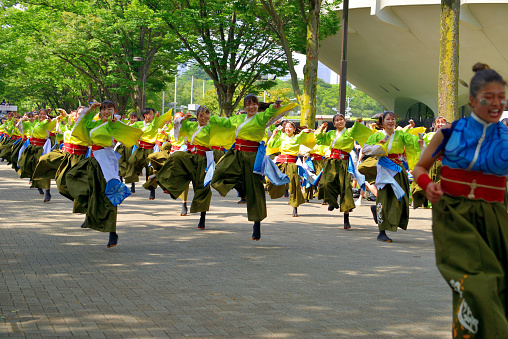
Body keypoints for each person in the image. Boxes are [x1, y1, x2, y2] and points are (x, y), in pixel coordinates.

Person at [414, 63, 508, 338]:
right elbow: (419, 168)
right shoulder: (448, 134)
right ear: (472, 100)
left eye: (501, 98)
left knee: (500, 283)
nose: (496, 104)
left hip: (494, 215)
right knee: (478, 282)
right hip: (455, 214)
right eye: (488, 98)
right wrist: (428, 185)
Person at [210, 95, 296, 240]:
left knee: (255, 190)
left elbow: (269, 114)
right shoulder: (238, 119)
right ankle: (241, 189)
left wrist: (273, 107)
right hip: (236, 153)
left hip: (253, 156)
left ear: (257, 106)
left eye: (254, 104)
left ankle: (257, 223)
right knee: (219, 172)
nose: (251, 107)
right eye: (248, 105)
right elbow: (223, 122)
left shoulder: (260, 118)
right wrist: (208, 118)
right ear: (244, 107)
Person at [66, 100, 143, 247]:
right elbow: (80, 124)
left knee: (109, 195)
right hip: (93, 160)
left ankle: (112, 232)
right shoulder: (94, 123)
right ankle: (89, 212)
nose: (107, 111)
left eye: (110, 108)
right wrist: (90, 109)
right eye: (104, 109)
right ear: (100, 111)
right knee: (72, 178)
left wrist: (115, 122)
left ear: (114, 110)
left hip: (106, 161)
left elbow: (120, 129)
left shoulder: (114, 123)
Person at [362, 111, 421, 242]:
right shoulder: (376, 135)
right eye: (388, 119)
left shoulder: (401, 135)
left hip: (398, 170)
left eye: (393, 119)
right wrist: (379, 146)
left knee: (401, 199)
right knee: (384, 199)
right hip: (384, 169)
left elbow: (415, 142)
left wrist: (421, 142)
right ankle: (381, 231)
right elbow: (365, 149)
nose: (391, 121)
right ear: (382, 122)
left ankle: (387, 217)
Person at [157, 106, 214, 229]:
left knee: (202, 187)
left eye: (206, 115)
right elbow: (176, 127)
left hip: (203, 159)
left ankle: (202, 218)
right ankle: (171, 187)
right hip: (190, 156)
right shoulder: (191, 126)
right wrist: (183, 119)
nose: (203, 118)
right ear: (197, 116)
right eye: (200, 115)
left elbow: (222, 128)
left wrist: (210, 119)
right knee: (176, 156)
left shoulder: (211, 127)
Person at [314, 114, 373, 228]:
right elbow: (319, 140)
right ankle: (332, 201)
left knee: (345, 188)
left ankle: (346, 219)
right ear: (334, 123)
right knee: (325, 183)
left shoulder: (350, 133)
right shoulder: (330, 134)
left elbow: (360, 132)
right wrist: (320, 130)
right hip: (331, 162)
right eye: (336, 120)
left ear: (345, 121)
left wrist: (359, 123)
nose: (339, 121)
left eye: (341, 119)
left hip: (344, 163)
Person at [266, 121, 315, 217]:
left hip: (292, 163)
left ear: (294, 129)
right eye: (286, 127)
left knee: (294, 184)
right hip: (280, 162)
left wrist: (307, 131)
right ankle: (277, 192)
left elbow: (309, 136)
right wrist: (274, 135)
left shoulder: (298, 137)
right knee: (270, 178)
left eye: (290, 127)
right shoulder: (282, 137)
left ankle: (294, 206)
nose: (287, 129)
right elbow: (271, 145)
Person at [124, 107, 172, 199]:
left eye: (153, 114)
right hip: (140, 148)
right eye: (150, 114)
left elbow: (160, 121)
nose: (152, 115)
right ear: (145, 115)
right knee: (132, 161)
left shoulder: (154, 123)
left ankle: (152, 190)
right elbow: (128, 129)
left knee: (150, 170)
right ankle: (133, 183)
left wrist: (158, 118)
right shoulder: (138, 124)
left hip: (150, 149)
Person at [18, 109, 57, 202]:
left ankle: (47, 191)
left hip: (41, 149)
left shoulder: (48, 123)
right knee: (28, 165)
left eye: (44, 114)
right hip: (32, 148)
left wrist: (51, 119)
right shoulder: (35, 123)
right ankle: (37, 184)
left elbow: (54, 123)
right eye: (40, 114)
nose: (42, 116)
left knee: (44, 169)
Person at [410, 116, 447, 209]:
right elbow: (425, 150)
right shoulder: (428, 135)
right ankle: (426, 201)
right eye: (438, 122)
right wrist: (421, 145)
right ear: (435, 124)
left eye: (443, 122)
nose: (440, 124)